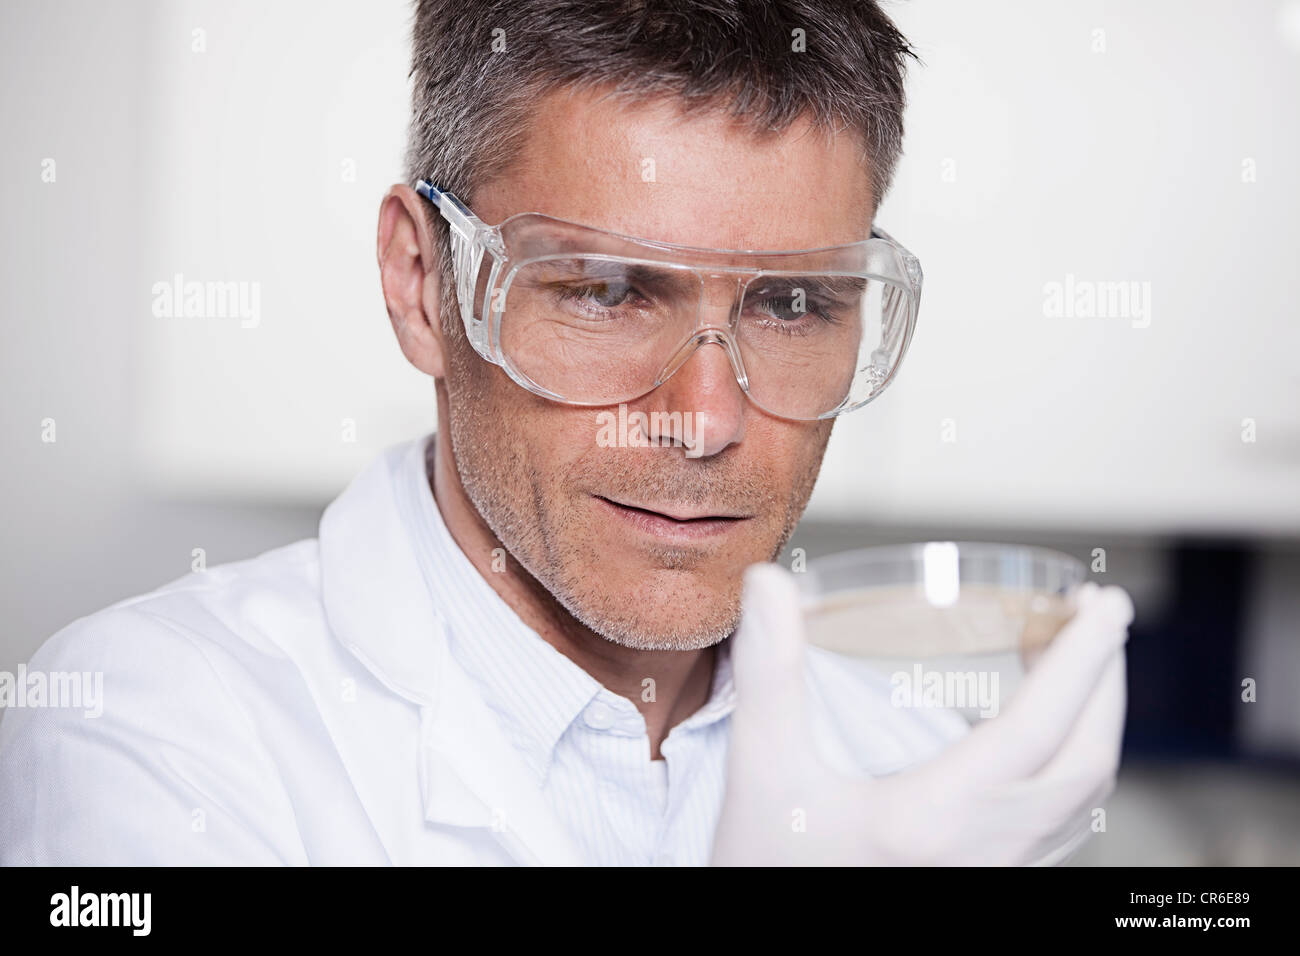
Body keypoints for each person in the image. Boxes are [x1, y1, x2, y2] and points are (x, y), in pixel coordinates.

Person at [0, 0, 1133, 866]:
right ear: (420, 281)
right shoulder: (159, 724)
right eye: (603, 291)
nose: (705, 421)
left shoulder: (922, 776)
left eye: (790, 304)